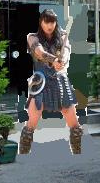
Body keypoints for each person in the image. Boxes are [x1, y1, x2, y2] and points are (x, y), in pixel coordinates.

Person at [19, 9, 83, 155]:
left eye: (52, 22)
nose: (49, 25)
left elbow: (66, 53)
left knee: (74, 124)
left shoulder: (62, 36)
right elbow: (39, 52)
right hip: (41, 81)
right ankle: (23, 155)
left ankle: (78, 155)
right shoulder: (32, 37)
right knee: (31, 123)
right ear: (41, 22)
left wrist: (62, 61)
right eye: (46, 22)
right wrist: (53, 60)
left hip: (60, 79)